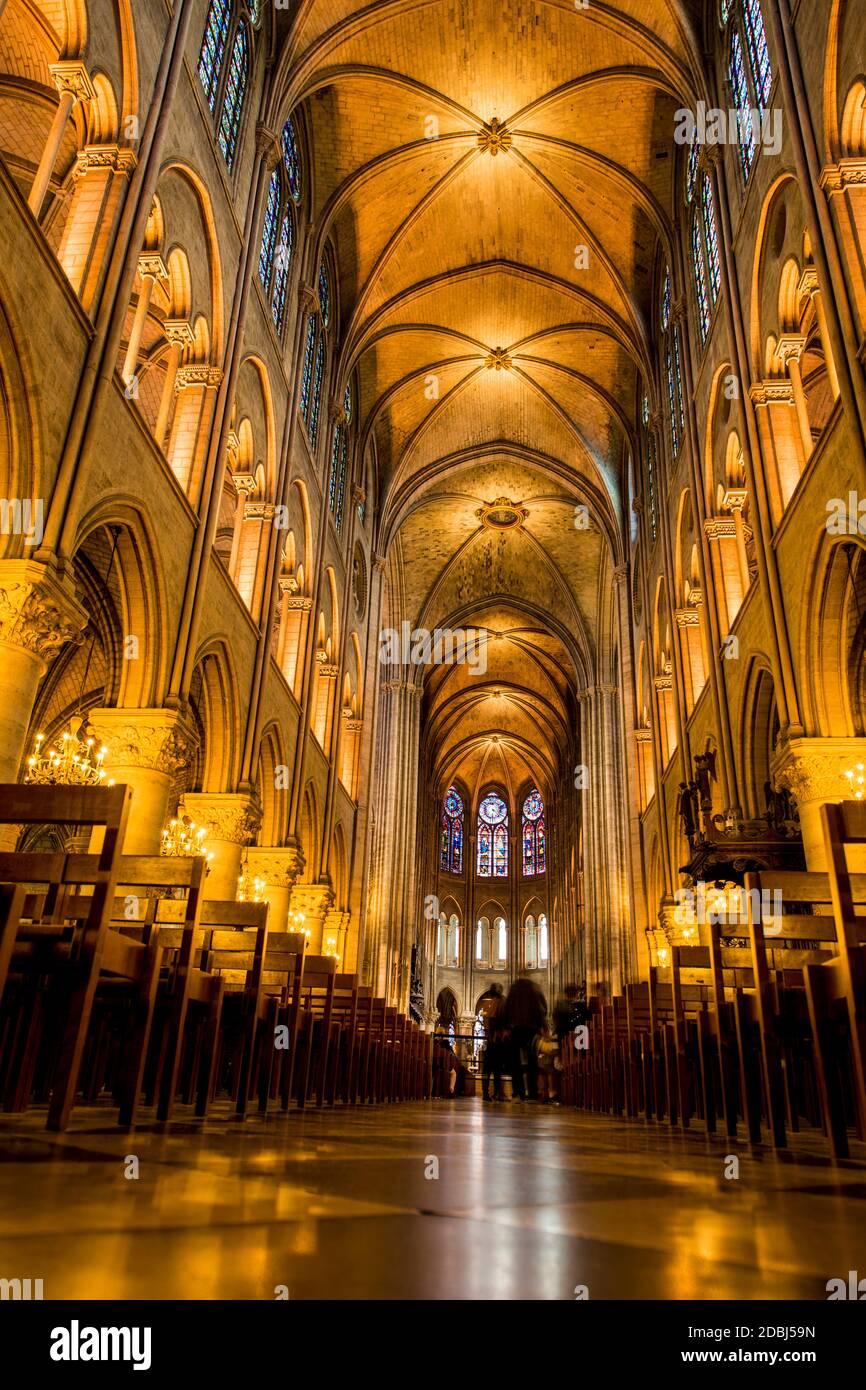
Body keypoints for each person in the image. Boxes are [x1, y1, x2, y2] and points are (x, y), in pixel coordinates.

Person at [504, 976, 547, 1100]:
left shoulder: (514, 990)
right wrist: (543, 1027)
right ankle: (532, 1093)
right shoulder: (533, 990)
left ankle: (518, 1092)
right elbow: (540, 1009)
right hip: (531, 1029)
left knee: (515, 1062)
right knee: (532, 1062)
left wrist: (506, 1027)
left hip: (515, 1029)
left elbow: (507, 1008)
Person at [479, 984, 506, 1101]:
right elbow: (494, 1020)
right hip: (496, 1040)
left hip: (491, 1040)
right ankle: (495, 1093)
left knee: (489, 1069)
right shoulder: (498, 1002)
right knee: (496, 1069)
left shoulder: (488, 1003)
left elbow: (488, 1021)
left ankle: (488, 1093)